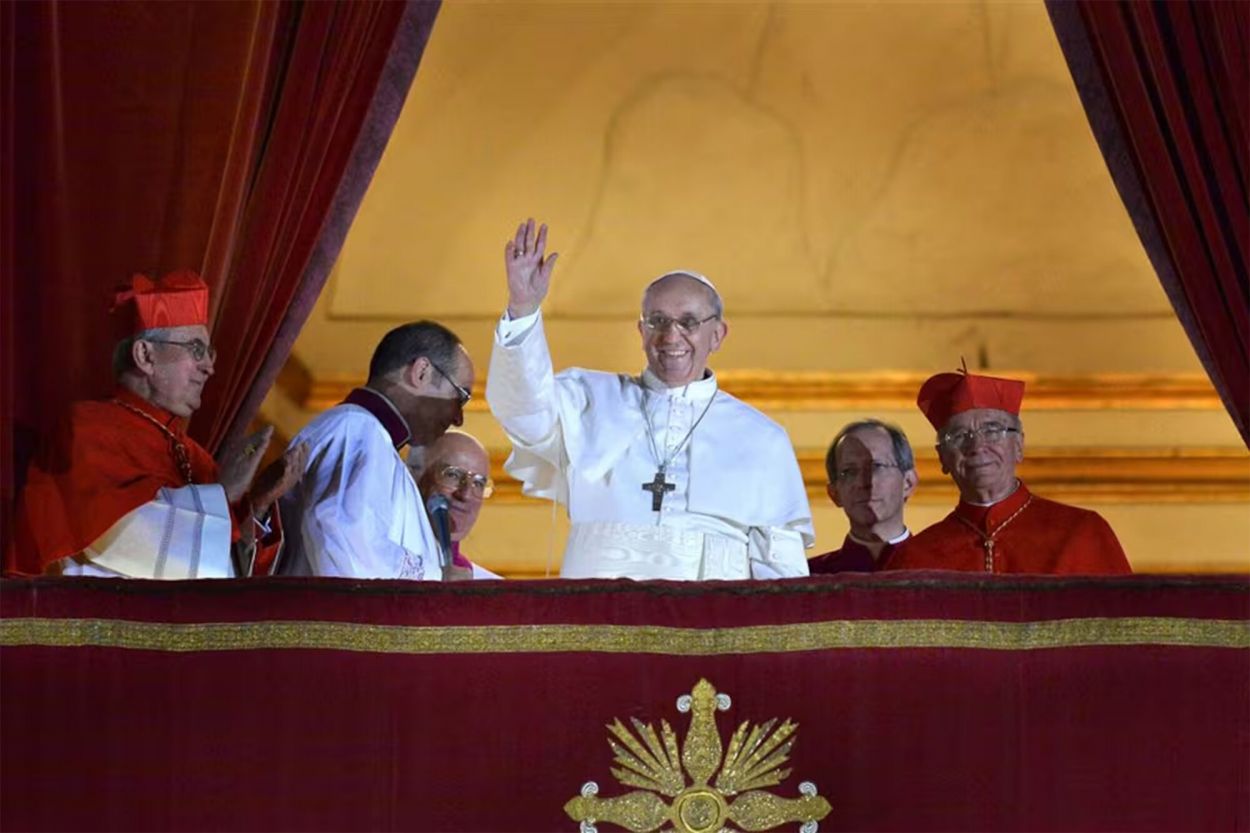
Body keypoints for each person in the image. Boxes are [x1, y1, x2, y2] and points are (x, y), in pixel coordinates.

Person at [486, 218, 813, 580]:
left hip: (710, 628)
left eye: (688, 322)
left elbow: (781, 572)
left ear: (717, 335)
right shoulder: (588, 400)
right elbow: (523, 411)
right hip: (598, 619)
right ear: (641, 331)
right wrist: (523, 310)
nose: (671, 336)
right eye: (657, 321)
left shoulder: (762, 438)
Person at [8, 270, 306, 579]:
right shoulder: (87, 429)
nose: (210, 366)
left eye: (209, 351)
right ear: (145, 355)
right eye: (195, 349)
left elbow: (225, 576)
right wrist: (222, 492)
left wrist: (256, 504)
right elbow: (119, 539)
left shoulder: (197, 456)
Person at [886, 365, 1132, 574]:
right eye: (960, 435)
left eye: (992, 430)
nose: (977, 446)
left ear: (1018, 446)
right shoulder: (915, 559)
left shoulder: (1083, 533)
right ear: (942, 458)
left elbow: (1128, 627)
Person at [279, 320, 474, 579]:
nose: (458, 418)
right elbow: (344, 540)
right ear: (422, 372)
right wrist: (437, 577)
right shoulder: (355, 428)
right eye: (461, 397)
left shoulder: (373, 436)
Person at [808, 420, 918, 574]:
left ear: (908, 483)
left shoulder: (945, 571)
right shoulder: (809, 578)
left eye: (877, 466)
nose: (865, 482)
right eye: (849, 472)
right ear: (834, 493)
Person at [415, 430, 503, 580]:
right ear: (416, 476)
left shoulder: (490, 588)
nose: (466, 494)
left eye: (478, 483)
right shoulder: (384, 561)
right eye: (452, 475)